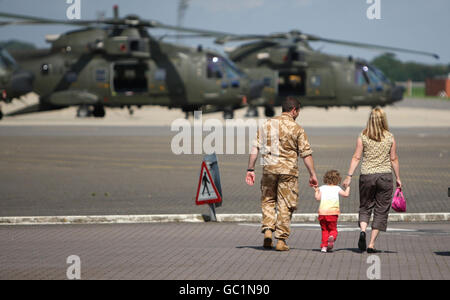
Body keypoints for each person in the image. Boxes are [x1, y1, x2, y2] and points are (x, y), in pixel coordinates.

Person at [245, 96, 318, 251]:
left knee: (268, 200)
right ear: (293, 110)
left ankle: (268, 231)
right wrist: (312, 174)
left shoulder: (267, 124)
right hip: (288, 171)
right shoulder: (297, 129)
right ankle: (281, 240)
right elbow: (306, 154)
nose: (298, 114)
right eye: (298, 111)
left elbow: (255, 149)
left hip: (269, 169)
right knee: (285, 204)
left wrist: (250, 169)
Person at [342, 107, 402, 253]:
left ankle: (363, 231)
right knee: (381, 210)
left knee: (365, 206)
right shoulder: (390, 137)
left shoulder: (363, 136)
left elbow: (356, 157)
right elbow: (393, 158)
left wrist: (349, 176)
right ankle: (371, 244)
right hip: (385, 176)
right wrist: (398, 178)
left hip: (367, 176)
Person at [314, 170, 350, 253]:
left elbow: (317, 198)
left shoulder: (322, 188)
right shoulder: (337, 188)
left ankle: (324, 247)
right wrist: (348, 187)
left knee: (324, 230)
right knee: (333, 229)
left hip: (322, 213)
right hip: (333, 213)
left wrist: (316, 191)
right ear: (337, 180)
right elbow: (346, 195)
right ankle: (332, 237)